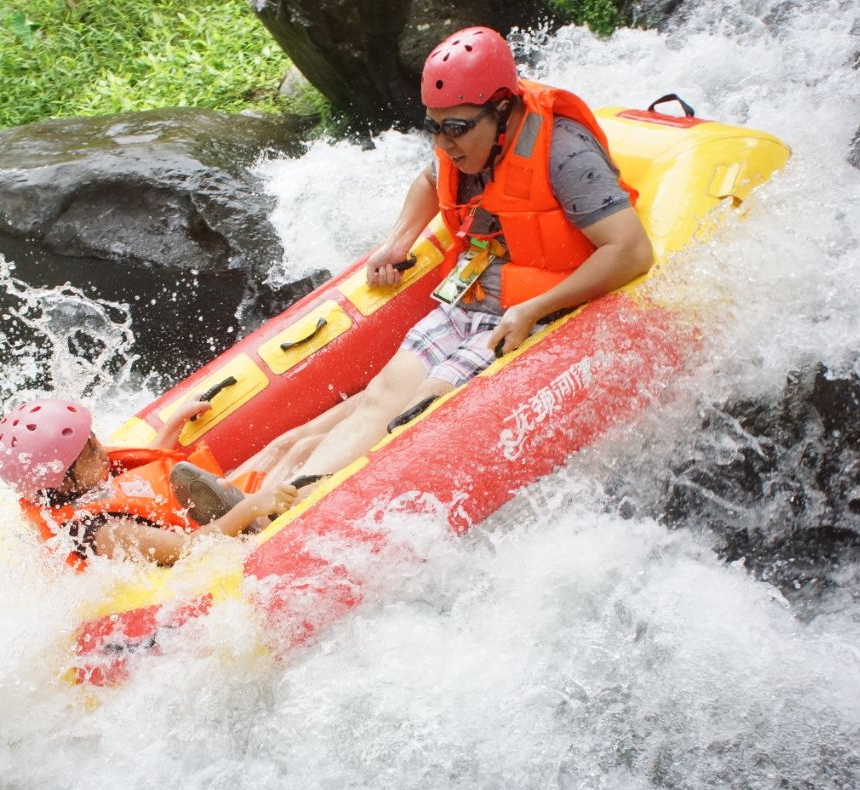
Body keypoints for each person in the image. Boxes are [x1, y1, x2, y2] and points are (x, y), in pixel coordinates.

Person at [247, 25, 656, 493]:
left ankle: (287, 508)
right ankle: (267, 501)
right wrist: (397, 241)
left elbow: (630, 250)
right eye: (434, 128)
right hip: (469, 299)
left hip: (533, 315)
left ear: (501, 110)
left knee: (418, 410)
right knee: (380, 397)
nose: (443, 144)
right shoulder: (459, 143)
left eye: (456, 129)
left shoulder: (563, 153)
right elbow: (429, 179)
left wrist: (534, 308)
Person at [0, 397, 296, 569]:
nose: (103, 454)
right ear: (62, 483)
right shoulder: (101, 531)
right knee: (292, 453)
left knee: (286, 445)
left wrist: (169, 431)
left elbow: (135, 476)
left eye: (95, 442)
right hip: (201, 546)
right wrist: (251, 508)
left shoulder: (77, 483)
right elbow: (189, 550)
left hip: (189, 516)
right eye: (92, 452)